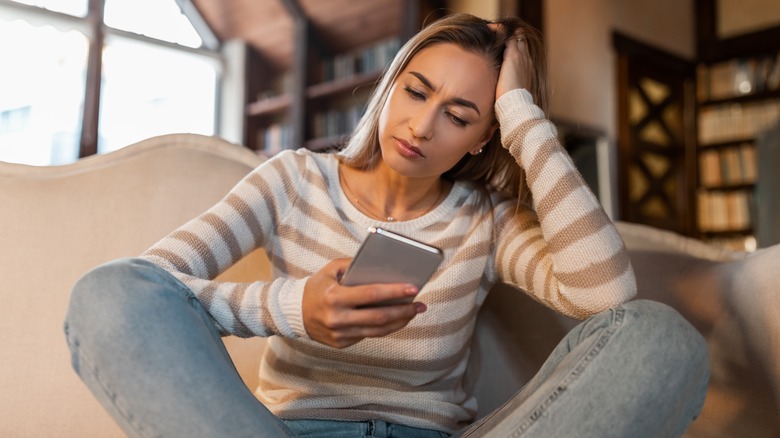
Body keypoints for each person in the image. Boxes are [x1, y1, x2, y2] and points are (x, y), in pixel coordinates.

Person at [64, 13, 709, 438]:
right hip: (291, 433)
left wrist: (521, 112)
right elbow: (150, 286)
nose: (421, 127)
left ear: (487, 138)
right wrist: (293, 308)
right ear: (392, 84)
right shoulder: (293, 180)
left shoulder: (486, 222)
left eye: (460, 116)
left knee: (662, 337)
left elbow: (607, 296)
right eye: (417, 91)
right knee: (108, 292)